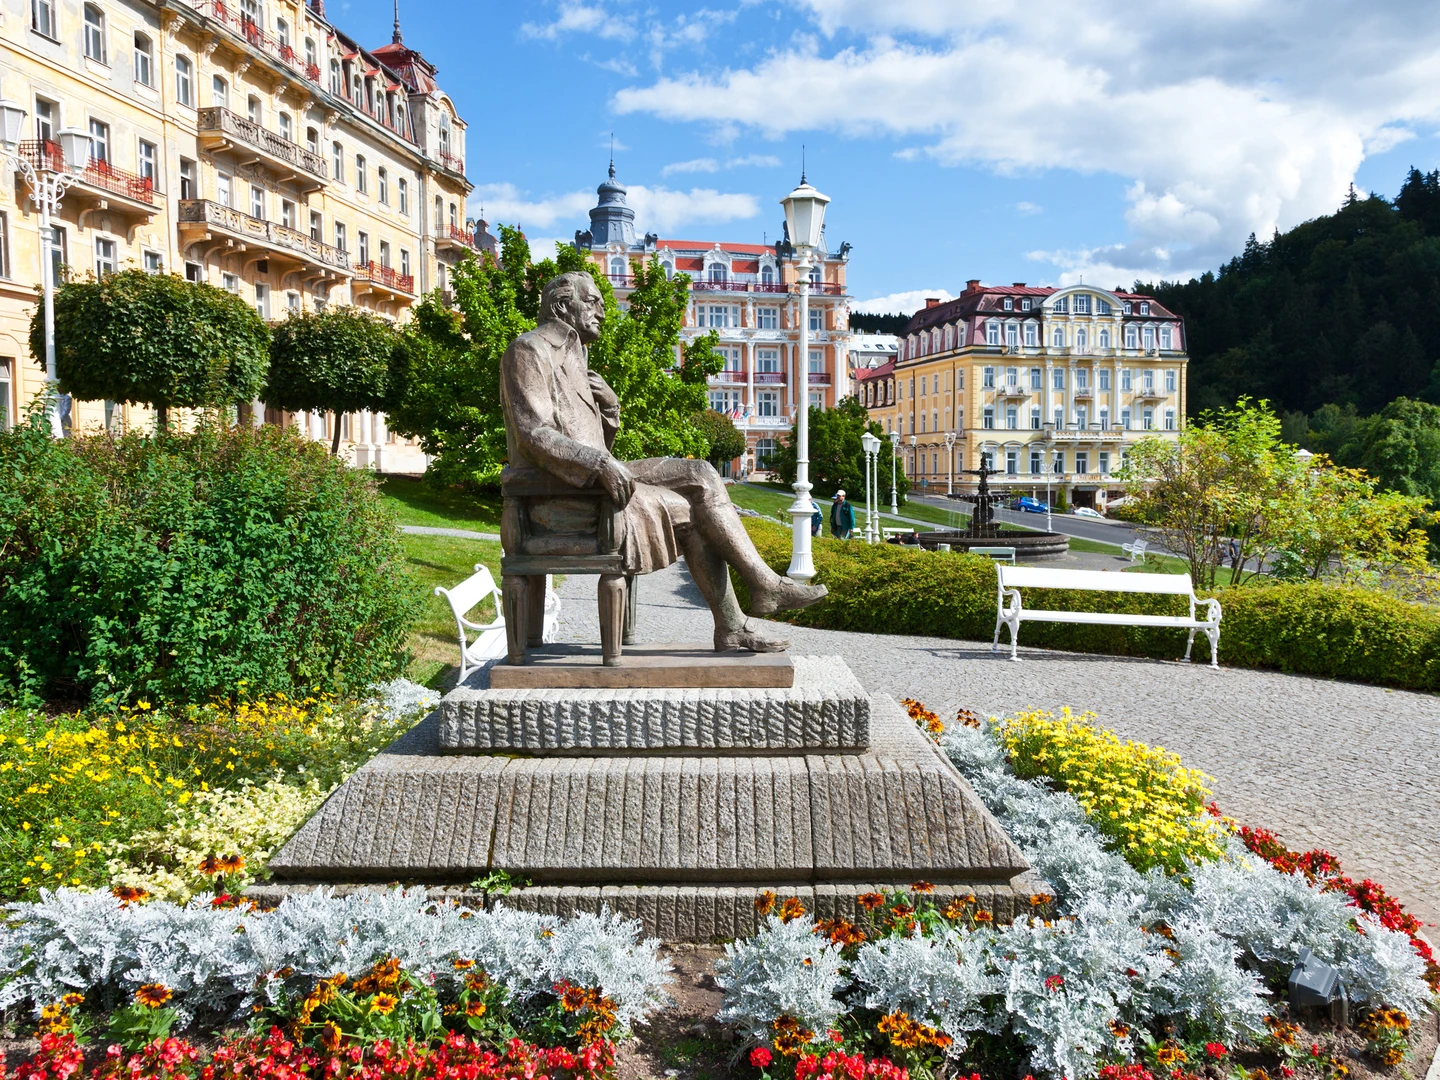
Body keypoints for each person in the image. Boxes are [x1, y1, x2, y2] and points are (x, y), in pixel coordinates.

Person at [499, 271, 827, 653]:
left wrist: (610, 408)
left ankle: (763, 586)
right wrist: (599, 464)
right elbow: (535, 435)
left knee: (701, 474)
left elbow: (594, 441)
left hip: (592, 478)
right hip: (559, 494)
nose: (603, 312)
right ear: (560, 306)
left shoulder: (577, 357)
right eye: (592, 302)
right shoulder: (529, 351)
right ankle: (735, 623)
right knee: (690, 512)